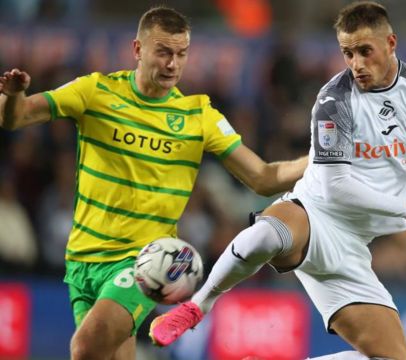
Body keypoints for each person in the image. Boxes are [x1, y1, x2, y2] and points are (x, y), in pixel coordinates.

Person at [149, 2, 406, 359]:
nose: (356, 64)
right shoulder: (333, 100)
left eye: (365, 51)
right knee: (269, 234)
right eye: (348, 53)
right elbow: (334, 187)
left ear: (391, 43)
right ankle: (196, 307)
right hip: (314, 215)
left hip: (353, 250)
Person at [0, 6, 307, 360]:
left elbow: (264, 177)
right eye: (163, 52)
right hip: (82, 259)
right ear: (137, 50)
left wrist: (319, 160)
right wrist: (12, 97)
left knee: (85, 349)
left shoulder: (198, 115)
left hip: (146, 262)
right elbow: (16, 118)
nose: (172, 64)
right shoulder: (95, 91)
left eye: (181, 54)